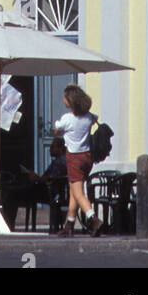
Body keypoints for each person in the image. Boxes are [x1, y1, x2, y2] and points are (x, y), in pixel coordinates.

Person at [53, 84, 103, 236]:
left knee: (78, 193)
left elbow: (56, 131)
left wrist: (57, 125)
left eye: (65, 97)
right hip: (87, 157)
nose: (63, 100)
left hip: (74, 158)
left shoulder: (67, 118)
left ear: (71, 101)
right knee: (74, 190)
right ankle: (69, 224)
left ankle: (93, 218)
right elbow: (95, 119)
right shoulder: (89, 117)